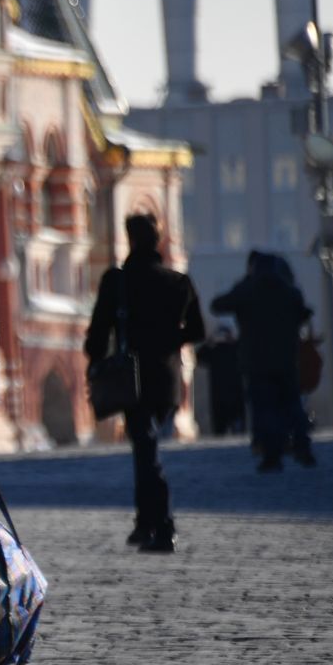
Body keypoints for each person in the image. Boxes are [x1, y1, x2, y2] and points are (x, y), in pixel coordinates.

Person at [83, 214, 206, 553]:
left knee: (146, 448)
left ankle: (162, 526)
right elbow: (198, 331)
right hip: (165, 378)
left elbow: (98, 330)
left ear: (130, 239)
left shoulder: (118, 282)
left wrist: (95, 363)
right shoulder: (178, 282)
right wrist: (167, 338)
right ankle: (144, 522)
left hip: (131, 377)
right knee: (144, 445)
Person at [211, 252, 314, 470]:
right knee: (292, 405)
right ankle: (303, 447)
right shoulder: (289, 291)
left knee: (264, 409)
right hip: (286, 359)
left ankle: (272, 456)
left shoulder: (248, 290)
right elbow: (304, 313)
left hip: (257, 361)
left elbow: (218, 304)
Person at [197, 324, 246, 437]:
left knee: (236, 428)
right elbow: (200, 357)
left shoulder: (234, 349)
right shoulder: (215, 350)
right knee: (220, 429)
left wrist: (234, 341)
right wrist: (210, 342)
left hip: (233, 394)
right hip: (221, 395)